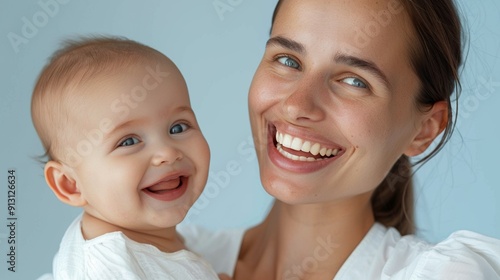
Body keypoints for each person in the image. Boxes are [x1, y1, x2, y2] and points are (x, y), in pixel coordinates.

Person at [178, 0, 500, 279]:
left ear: (425, 129)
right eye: (288, 60)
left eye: (354, 81)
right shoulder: (152, 260)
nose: (297, 105)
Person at [31, 36, 223, 279]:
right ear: (71, 184)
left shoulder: (154, 236)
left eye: (178, 127)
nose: (167, 153)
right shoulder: (107, 269)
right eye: (129, 141)